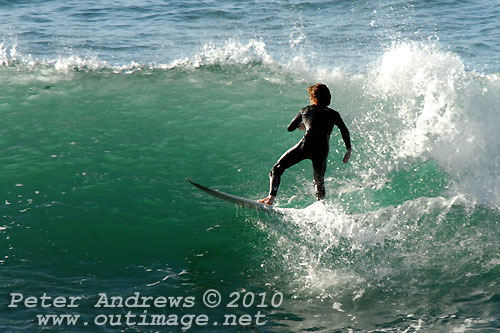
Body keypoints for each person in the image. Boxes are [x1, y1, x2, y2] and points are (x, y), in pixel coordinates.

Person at [258, 83, 352, 205]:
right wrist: (348, 149)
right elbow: (344, 130)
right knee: (319, 182)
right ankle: (321, 207)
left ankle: (271, 198)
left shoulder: (305, 111)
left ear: (313, 98)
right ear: (328, 98)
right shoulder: (333, 114)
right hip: (322, 150)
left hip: (306, 146)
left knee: (277, 169)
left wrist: (300, 124)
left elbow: (290, 128)